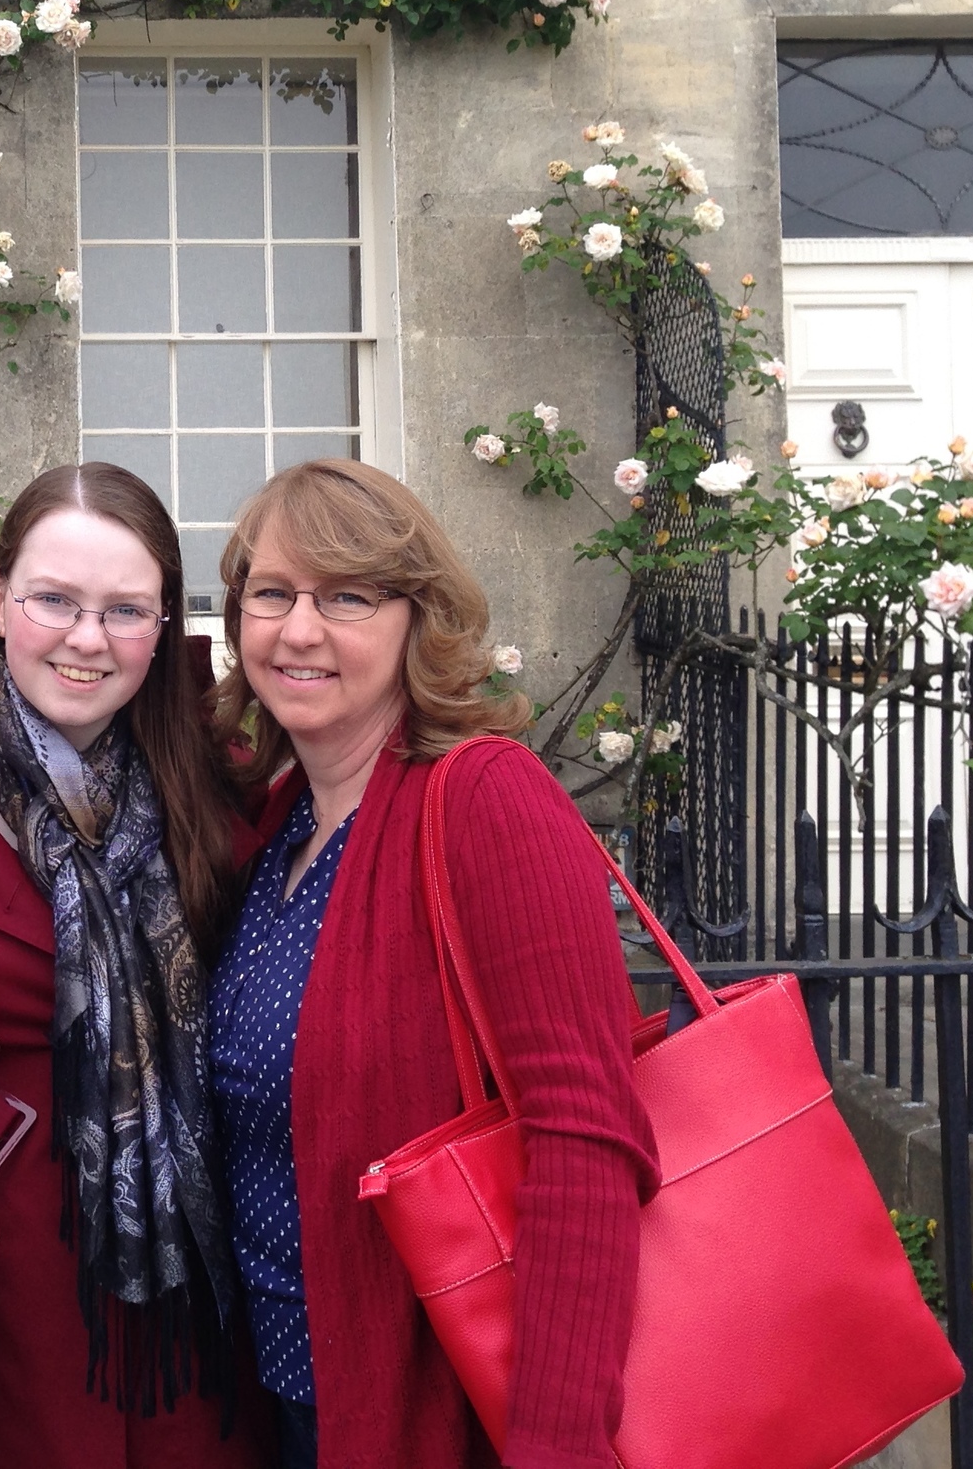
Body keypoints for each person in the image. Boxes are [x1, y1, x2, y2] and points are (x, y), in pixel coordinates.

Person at [203, 459, 658, 1469]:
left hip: (448, 1414)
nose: (299, 629)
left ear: (418, 618)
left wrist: (554, 1443)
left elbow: (584, 1137)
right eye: (270, 594)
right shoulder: (277, 831)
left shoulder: (486, 798)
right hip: (289, 1398)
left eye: (347, 596)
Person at [0, 461, 267, 1469]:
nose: (87, 640)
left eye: (125, 610)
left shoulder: (224, 794)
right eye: (54, 601)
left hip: (183, 1307)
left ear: (164, 626)